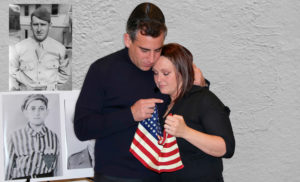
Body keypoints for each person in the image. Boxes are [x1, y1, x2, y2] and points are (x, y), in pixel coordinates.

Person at [74, 2, 206, 182]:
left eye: (157, 50)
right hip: (115, 176)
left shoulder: (169, 67)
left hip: (164, 176)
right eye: (144, 50)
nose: (151, 59)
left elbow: (197, 111)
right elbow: (82, 129)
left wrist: (201, 85)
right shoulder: (102, 70)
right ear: (128, 40)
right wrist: (130, 114)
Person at [152, 43, 235, 182]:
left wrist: (185, 132)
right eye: (155, 73)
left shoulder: (203, 99)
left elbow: (226, 148)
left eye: (166, 73)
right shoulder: (164, 102)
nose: (159, 79)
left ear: (182, 72)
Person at [9, 6, 70, 91]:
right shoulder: (18, 48)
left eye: (43, 24)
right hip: (25, 94)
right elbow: (12, 72)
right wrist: (24, 85)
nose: (39, 29)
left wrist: (51, 84)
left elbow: (65, 74)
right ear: (30, 26)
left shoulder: (60, 49)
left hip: (50, 95)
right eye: (35, 24)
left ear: (50, 26)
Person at [5, 94, 60, 180]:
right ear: (25, 112)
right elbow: (8, 167)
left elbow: (56, 169)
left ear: (47, 112)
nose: (37, 113)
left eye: (41, 109)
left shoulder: (53, 137)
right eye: (33, 108)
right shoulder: (15, 137)